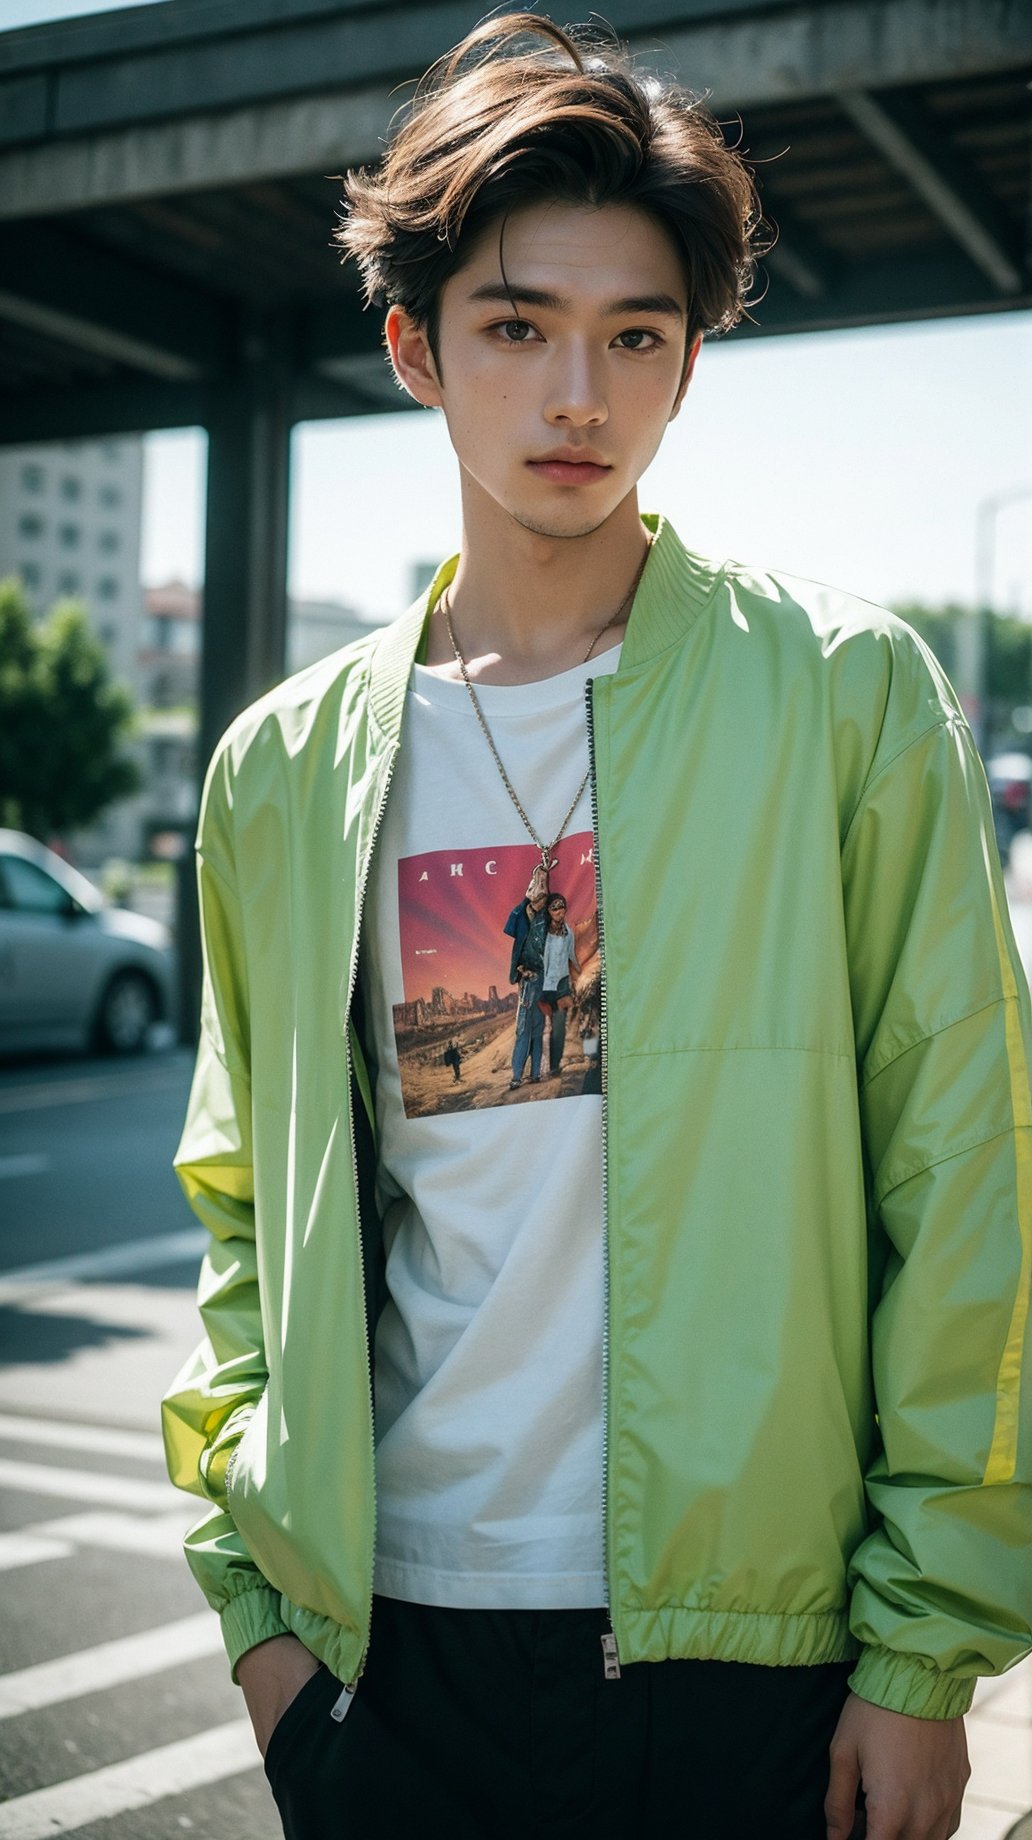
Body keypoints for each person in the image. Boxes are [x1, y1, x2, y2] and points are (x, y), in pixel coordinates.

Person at [162, 14, 1032, 1840]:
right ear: (414, 348)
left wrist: (920, 1651)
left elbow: (969, 1181)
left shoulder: (845, 700)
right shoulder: (282, 769)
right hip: (386, 1653)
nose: (579, 394)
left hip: (754, 1653)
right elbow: (248, 1210)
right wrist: (263, 1635)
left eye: (636, 336)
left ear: (688, 364)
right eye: (515, 326)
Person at [504, 865, 551, 1086]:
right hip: (526, 978)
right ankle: (516, 1076)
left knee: (536, 1027)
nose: (540, 902)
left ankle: (534, 1074)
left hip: (541, 978)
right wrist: (524, 904)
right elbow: (509, 927)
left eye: (542, 898)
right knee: (523, 1028)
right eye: (536, 898)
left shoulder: (546, 917)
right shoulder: (520, 914)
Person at [537, 892, 580, 1074]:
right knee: (538, 1030)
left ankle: (555, 1066)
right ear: (548, 910)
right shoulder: (541, 932)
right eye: (554, 907)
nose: (558, 911)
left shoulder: (568, 931)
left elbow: (571, 955)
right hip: (542, 986)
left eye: (561, 906)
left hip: (561, 985)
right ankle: (534, 1070)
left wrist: (579, 972)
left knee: (558, 1029)